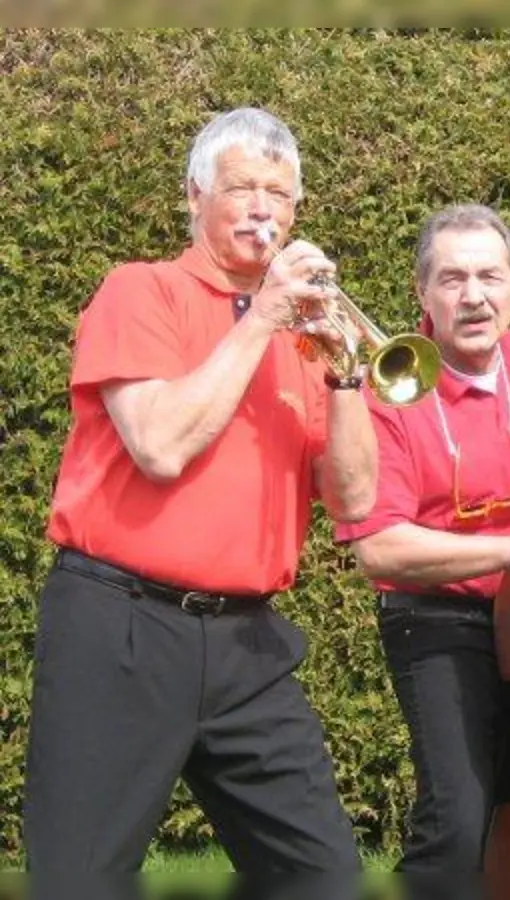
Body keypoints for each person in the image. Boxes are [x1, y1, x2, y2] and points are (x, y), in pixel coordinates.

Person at [24, 106, 375, 871]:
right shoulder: (139, 291)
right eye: (242, 188)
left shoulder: (306, 337)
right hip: (121, 625)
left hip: (248, 641)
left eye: (279, 195)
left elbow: (352, 498)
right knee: (79, 876)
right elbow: (158, 445)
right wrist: (259, 322)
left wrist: (346, 371)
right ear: (194, 195)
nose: (262, 210)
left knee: (323, 876)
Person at [332, 204, 510, 870]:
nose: (474, 297)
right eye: (453, 279)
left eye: (491, 277)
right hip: (442, 616)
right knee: (459, 817)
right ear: (422, 293)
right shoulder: (389, 387)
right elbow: (379, 547)